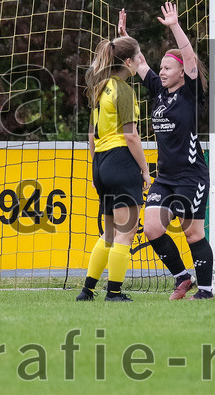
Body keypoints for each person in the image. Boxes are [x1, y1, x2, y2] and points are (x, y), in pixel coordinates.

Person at [118, 2, 214, 300]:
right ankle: (183, 277)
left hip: (191, 176)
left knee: (192, 234)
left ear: (183, 73)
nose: (161, 72)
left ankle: (207, 291)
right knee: (151, 229)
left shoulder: (190, 93)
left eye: (168, 68)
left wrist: (174, 25)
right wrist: (123, 36)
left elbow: (188, 57)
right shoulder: (159, 90)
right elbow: (140, 61)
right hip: (166, 177)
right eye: (161, 68)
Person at [75, 35, 150, 302]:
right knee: (126, 233)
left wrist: (96, 169)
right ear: (128, 61)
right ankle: (114, 292)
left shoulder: (100, 87)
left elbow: (91, 135)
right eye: (139, 56)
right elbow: (131, 136)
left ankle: (87, 290)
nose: (141, 61)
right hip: (121, 161)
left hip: (102, 163)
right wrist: (145, 170)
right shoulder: (124, 90)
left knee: (108, 233)